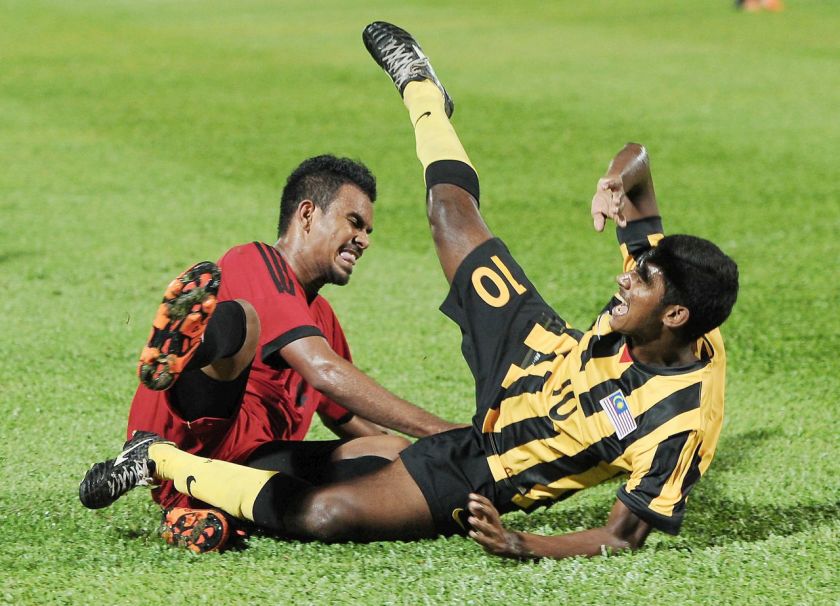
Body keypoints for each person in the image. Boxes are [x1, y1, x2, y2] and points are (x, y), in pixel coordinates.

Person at [79, 22, 739, 560]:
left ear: (676, 316)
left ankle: (164, 466)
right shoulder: (665, 286)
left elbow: (622, 536)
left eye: (642, 280)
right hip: (532, 349)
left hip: (497, 460)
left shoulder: (679, 424)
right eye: (353, 222)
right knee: (449, 215)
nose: (626, 275)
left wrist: (522, 541)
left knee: (333, 509)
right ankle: (424, 91)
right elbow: (640, 165)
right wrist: (620, 175)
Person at [89, 154, 461, 552]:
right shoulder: (255, 261)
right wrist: (448, 433)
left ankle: (203, 513)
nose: (365, 239)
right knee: (243, 320)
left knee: (391, 453)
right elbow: (321, 371)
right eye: (354, 222)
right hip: (193, 432)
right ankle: (188, 347)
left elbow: (348, 416)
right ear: (306, 214)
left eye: (368, 230)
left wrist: (431, 463)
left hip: (242, 469)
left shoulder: (322, 318)